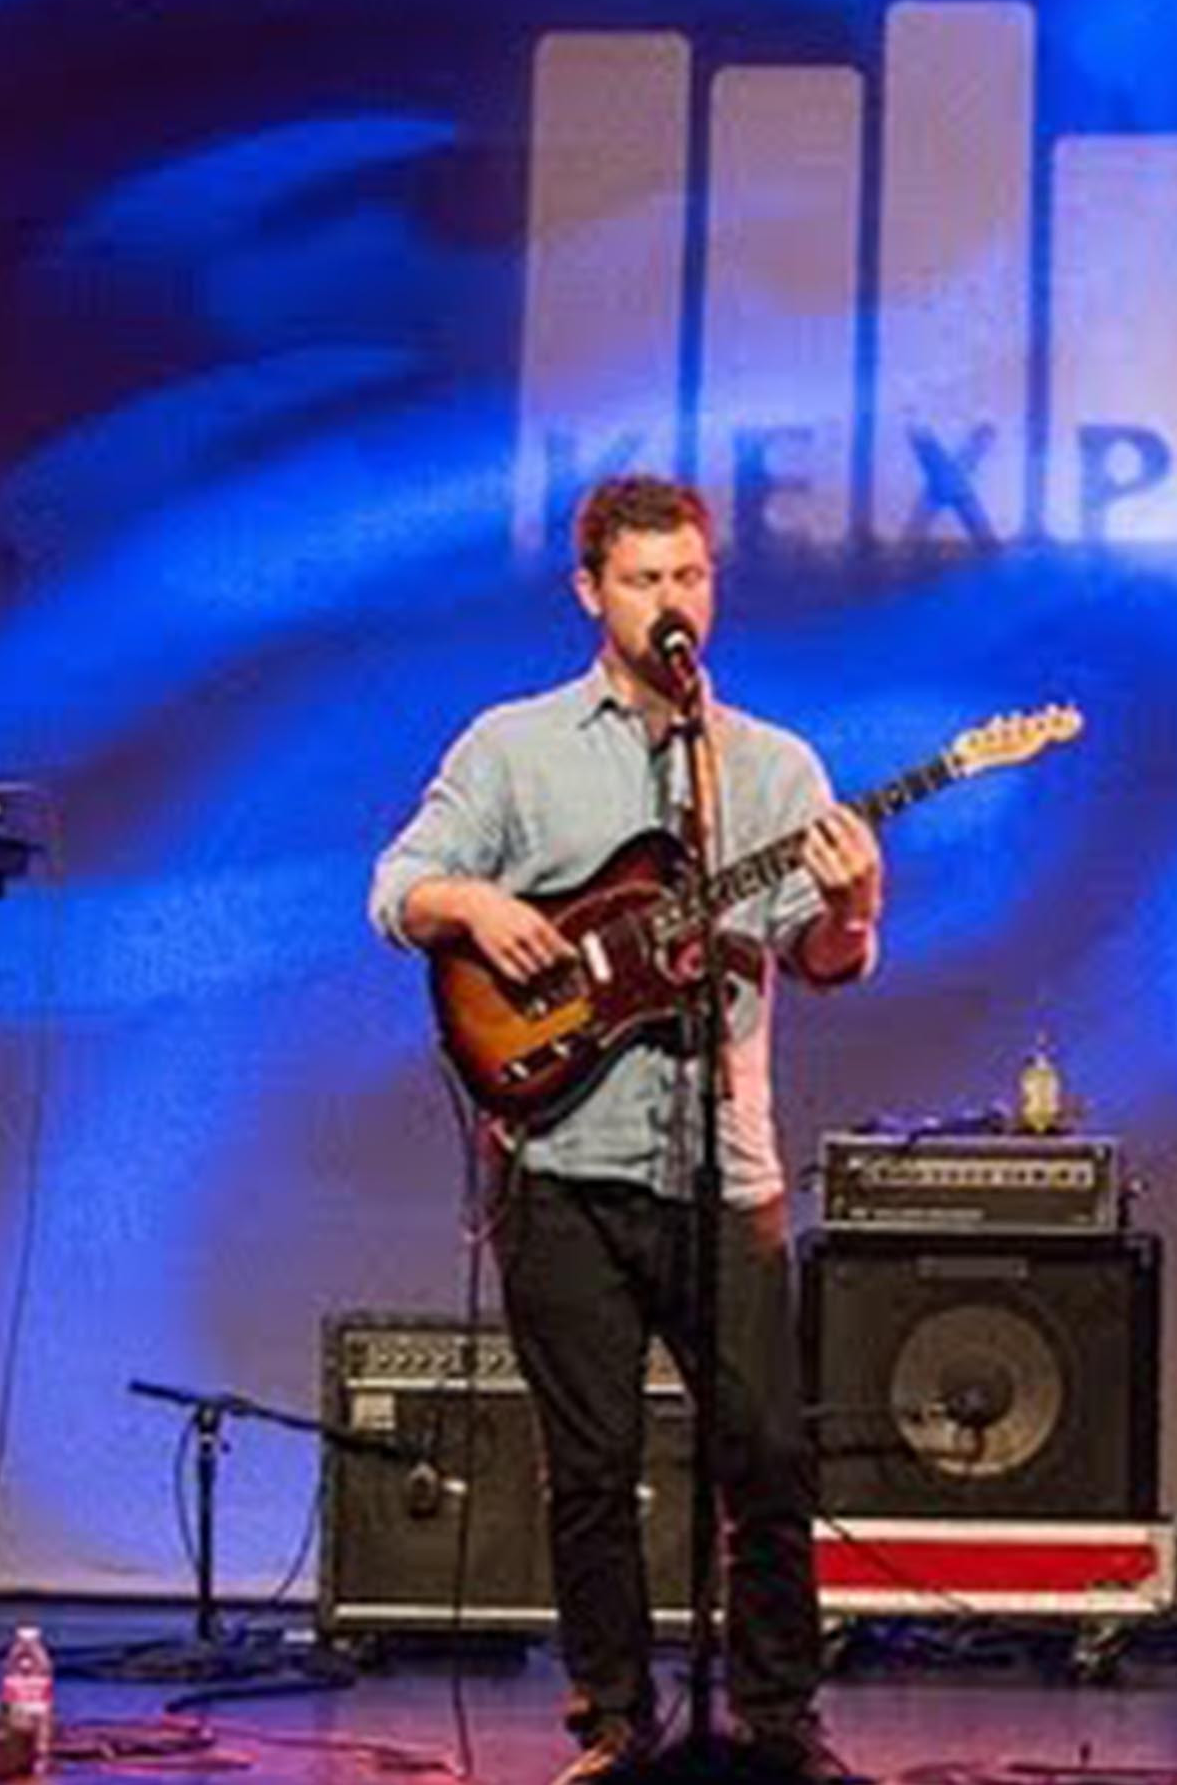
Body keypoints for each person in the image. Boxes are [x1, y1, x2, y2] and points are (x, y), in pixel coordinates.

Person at [371, 476, 878, 1785]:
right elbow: (395, 890)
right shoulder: (514, 746)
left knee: (765, 1454)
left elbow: (822, 960)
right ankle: (611, 1720)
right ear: (593, 592)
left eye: (693, 578)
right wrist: (479, 907)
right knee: (590, 1468)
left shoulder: (774, 769)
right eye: (648, 579)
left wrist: (854, 911)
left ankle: (777, 1722)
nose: (675, 601)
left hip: (729, 1169)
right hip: (560, 1167)